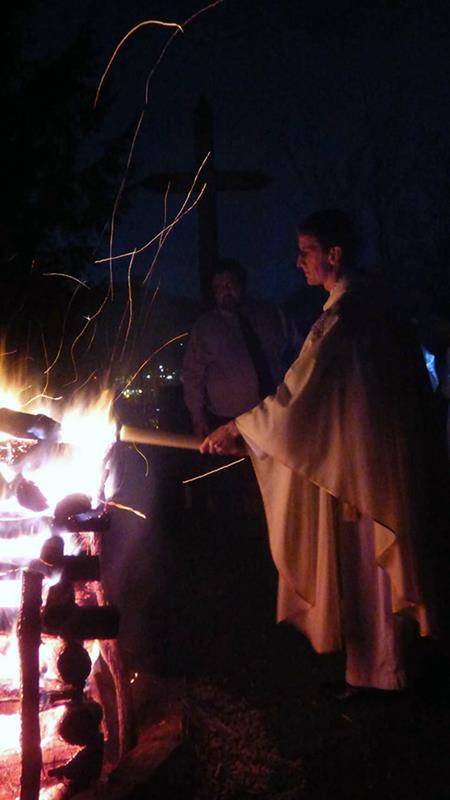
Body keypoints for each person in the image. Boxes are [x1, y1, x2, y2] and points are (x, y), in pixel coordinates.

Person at [200, 209, 442, 696]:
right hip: (375, 460)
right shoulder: (375, 305)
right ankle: (386, 667)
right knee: (376, 564)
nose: (297, 262)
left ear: (334, 254)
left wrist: (239, 429)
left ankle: (382, 671)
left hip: (360, 468)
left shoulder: (345, 318)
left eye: (306, 251)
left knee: (368, 564)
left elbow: (297, 396)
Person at [182, 259, 296, 437]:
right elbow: (192, 375)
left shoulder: (267, 315)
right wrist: (197, 417)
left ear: (241, 285)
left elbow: (292, 349)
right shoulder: (206, 327)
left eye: (229, 285)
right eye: (218, 288)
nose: (225, 292)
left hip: (272, 413)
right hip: (227, 420)